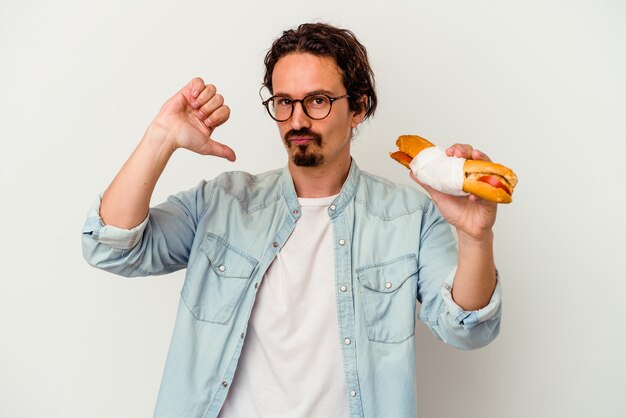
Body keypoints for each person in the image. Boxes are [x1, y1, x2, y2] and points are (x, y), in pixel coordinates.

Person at [82, 22, 502, 418]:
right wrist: (161, 137)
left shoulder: (409, 216)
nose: (298, 120)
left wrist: (475, 237)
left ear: (358, 108)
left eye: (318, 100)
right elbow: (110, 247)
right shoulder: (223, 202)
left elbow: (466, 329)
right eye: (285, 102)